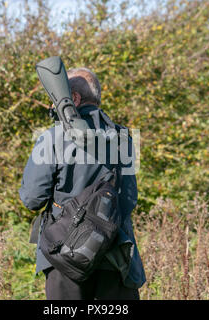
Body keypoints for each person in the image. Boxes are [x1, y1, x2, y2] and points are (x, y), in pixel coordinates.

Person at [19, 67, 145, 300]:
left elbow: (31, 199)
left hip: (64, 258)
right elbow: (129, 200)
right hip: (115, 257)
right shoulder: (124, 138)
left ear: (73, 98)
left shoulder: (51, 138)